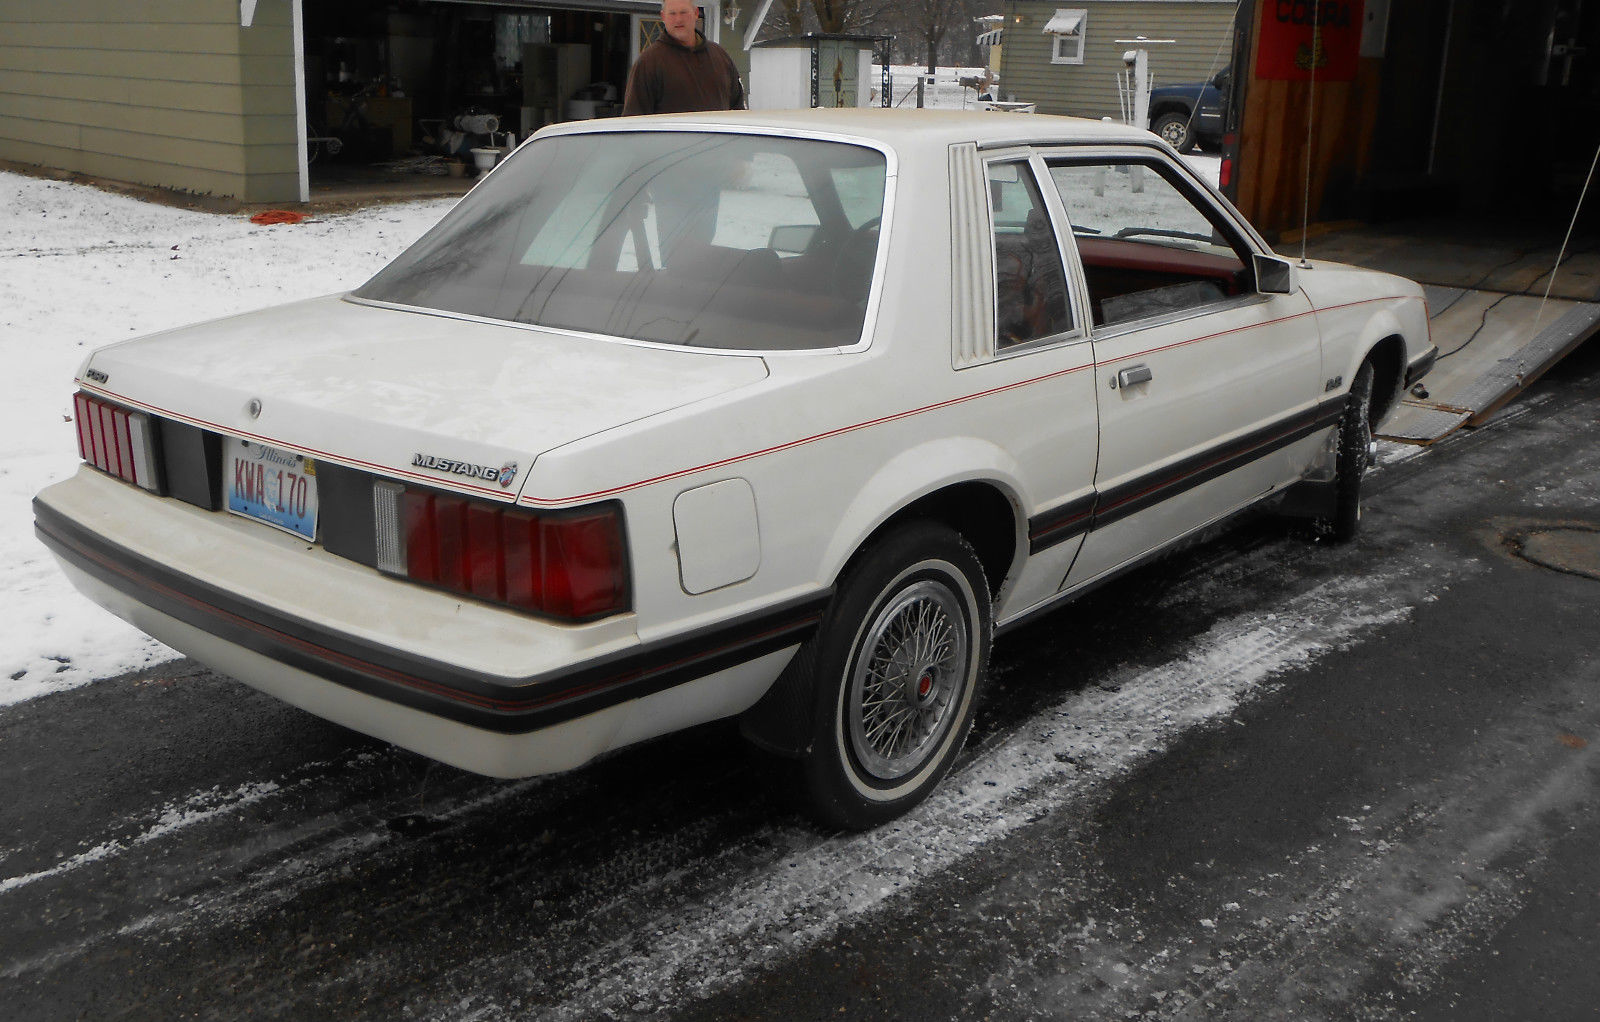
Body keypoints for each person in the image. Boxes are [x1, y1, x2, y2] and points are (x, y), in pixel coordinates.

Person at [622, 0, 746, 116]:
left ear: (696, 13)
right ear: (663, 17)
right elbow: (633, 120)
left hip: (719, 139)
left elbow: (738, 111)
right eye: (672, 13)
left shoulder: (720, 57)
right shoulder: (649, 63)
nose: (678, 19)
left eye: (683, 12)